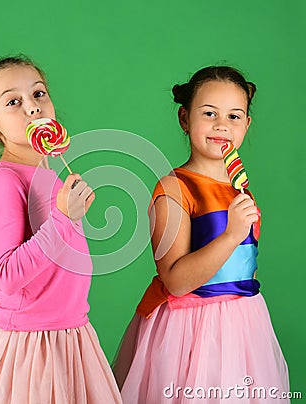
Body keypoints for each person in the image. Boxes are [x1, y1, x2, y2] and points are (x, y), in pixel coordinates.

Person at [0, 55, 122, 404]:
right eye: (13, 102)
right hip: (28, 344)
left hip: (72, 334)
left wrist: (68, 214)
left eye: (39, 94)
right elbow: (8, 275)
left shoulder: (51, 174)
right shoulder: (3, 183)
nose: (32, 107)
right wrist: (63, 218)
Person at [113, 66, 289, 403]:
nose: (222, 124)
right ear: (184, 118)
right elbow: (176, 281)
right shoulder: (175, 188)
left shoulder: (241, 191)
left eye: (234, 116)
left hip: (243, 324)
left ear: (247, 125)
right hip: (188, 330)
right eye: (209, 113)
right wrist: (231, 234)